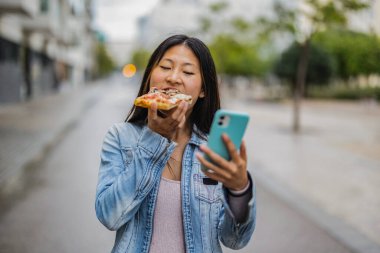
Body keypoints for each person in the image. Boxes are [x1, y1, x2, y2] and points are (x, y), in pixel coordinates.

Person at [95, 34, 256, 253]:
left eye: (188, 72)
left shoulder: (215, 148)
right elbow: (110, 217)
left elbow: (234, 241)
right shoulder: (120, 137)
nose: (173, 78)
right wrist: (154, 140)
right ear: (150, 76)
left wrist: (239, 190)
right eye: (165, 67)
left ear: (203, 90)